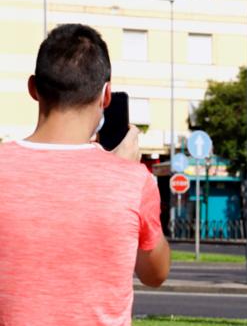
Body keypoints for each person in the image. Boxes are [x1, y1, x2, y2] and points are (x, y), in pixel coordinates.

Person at [0, 24, 170, 325]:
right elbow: (155, 273)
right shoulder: (132, 182)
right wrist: (122, 170)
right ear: (106, 95)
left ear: (33, 88)